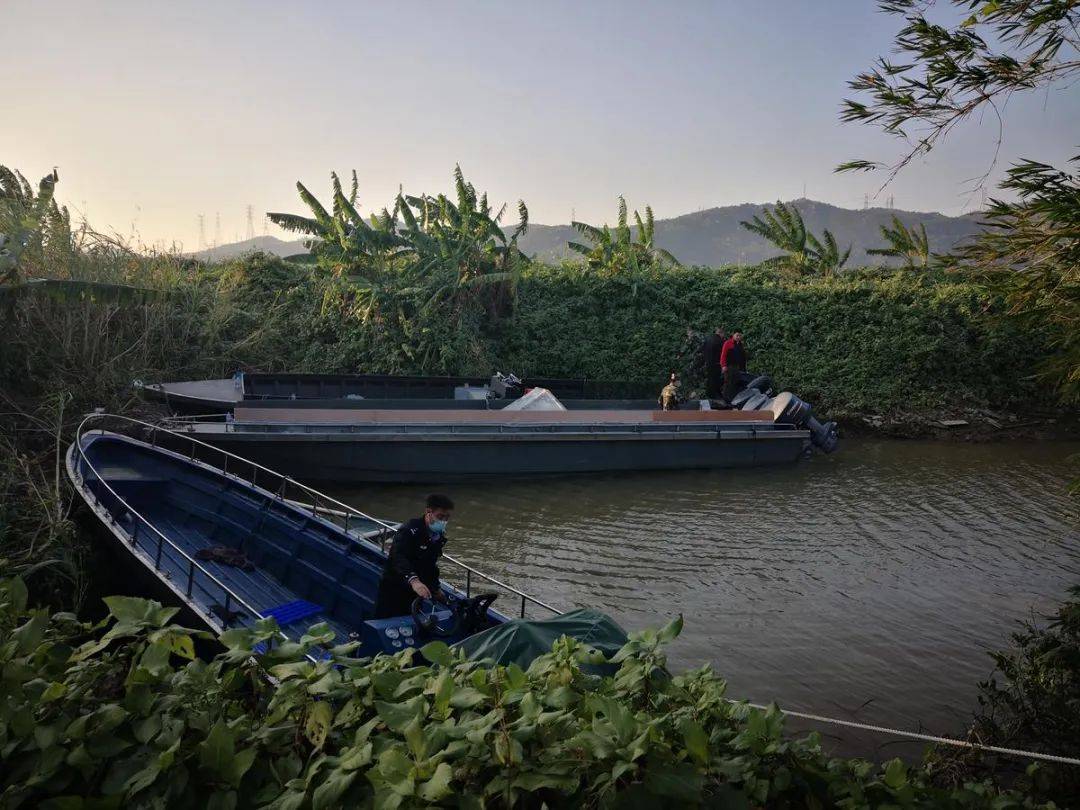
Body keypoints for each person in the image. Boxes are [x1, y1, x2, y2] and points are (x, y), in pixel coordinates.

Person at [374, 493, 454, 619]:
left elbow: (430, 565)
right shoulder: (410, 530)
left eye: (447, 517)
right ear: (429, 512)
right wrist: (414, 580)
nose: (443, 521)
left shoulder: (437, 536)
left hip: (416, 592)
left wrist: (435, 589)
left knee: (413, 619)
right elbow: (398, 556)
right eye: (440, 516)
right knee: (385, 617)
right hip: (394, 586)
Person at [720, 330, 747, 402]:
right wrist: (723, 366)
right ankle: (725, 399)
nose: (738, 337)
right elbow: (723, 355)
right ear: (733, 335)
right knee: (728, 383)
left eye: (740, 335)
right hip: (730, 366)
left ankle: (734, 399)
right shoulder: (728, 343)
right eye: (737, 335)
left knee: (736, 383)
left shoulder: (740, 344)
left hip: (739, 367)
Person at [702, 327, 726, 399]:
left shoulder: (708, 339)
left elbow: (703, 350)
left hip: (708, 363)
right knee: (716, 380)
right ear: (721, 333)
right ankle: (715, 396)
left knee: (710, 379)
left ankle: (709, 395)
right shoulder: (720, 341)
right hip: (716, 364)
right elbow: (723, 354)